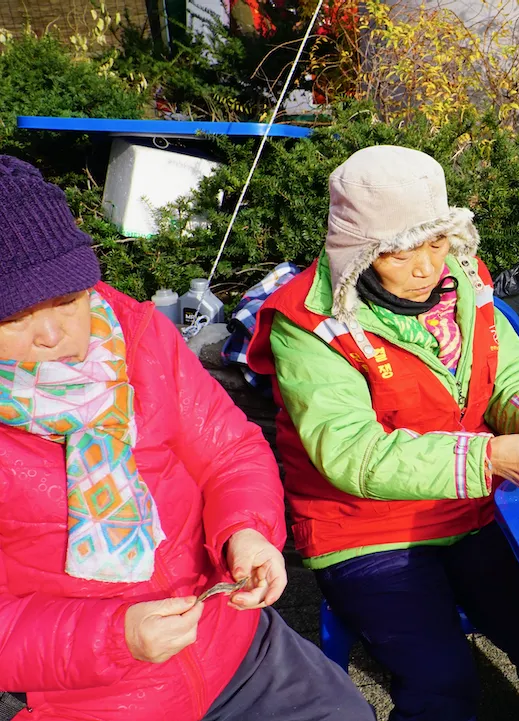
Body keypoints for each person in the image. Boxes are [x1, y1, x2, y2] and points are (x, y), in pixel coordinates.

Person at [0, 155, 373, 720]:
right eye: (13, 318)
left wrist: (247, 532)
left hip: (231, 638)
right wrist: (111, 638)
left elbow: (230, 451)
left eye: (68, 300)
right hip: (96, 693)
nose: (53, 334)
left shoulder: (138, 338)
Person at [246, 146, 519, 721]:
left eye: (436, 243)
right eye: (401, 252)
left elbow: (506, 376)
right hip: (363, 528)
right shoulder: (309, 323)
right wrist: (490, 458)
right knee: (442, 683)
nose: (426, 268)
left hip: (473, 509)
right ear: (358, 253)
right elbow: (351, 454)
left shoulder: (467, 279)